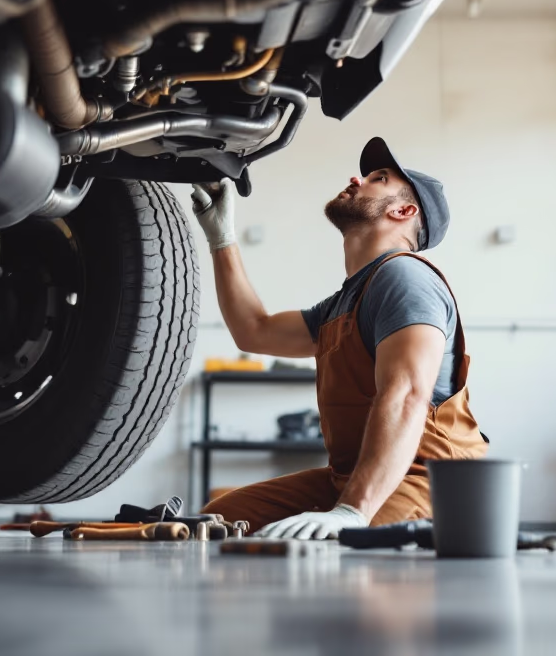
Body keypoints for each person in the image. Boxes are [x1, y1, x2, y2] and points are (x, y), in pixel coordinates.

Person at [191, 137, 487, 539]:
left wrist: (351, 511)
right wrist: (221, 237)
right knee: (221, 519)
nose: (356, 178)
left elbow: (406, 394)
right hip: (350, 477)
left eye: (377, 179)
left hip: (429, 481)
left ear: (403, 210)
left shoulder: (405, 277)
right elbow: (254, 331)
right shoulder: (345, 301)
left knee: (348, 550)